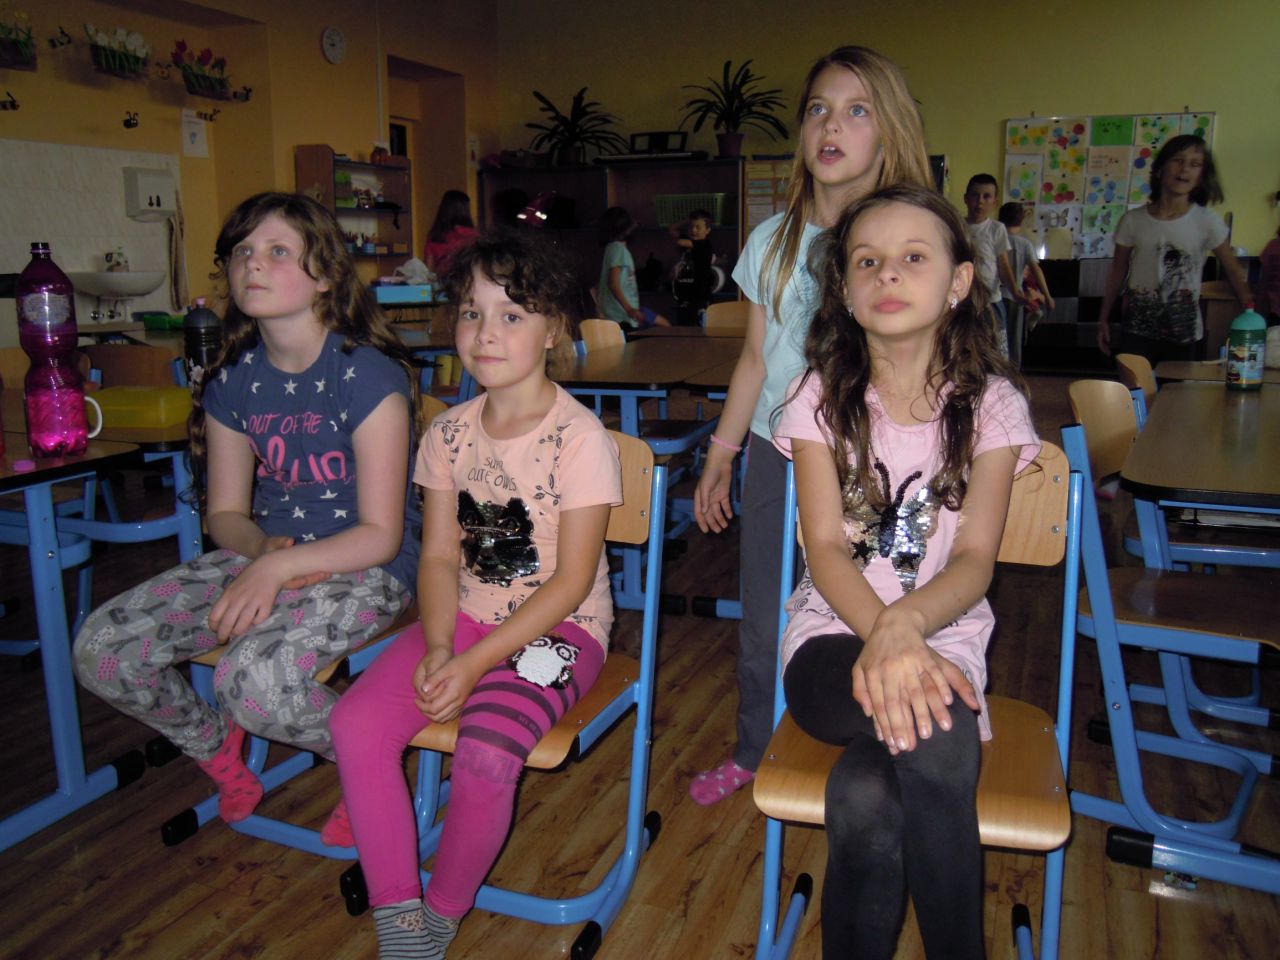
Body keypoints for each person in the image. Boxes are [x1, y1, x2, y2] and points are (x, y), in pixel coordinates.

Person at [73, 192, 420, 832]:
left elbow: (379, 534)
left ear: (325, 276)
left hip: (365, 565)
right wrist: (262, 554)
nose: (253, 264)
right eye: (242, 251)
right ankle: (215, 748)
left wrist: (274, 569)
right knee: (102, 648)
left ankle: (367, 764)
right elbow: (226, 515)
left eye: (278, 251)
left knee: (251, 682)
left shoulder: (366, 376)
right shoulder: (232, 380)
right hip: (265, 554)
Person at [329, 230, 623, 959]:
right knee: (356, 723)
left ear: (553, 330)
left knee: (488, 752)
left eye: (511, 315)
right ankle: (399, 914)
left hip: (561, 631)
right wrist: (439, 646)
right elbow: (435, 556)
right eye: (471, 312)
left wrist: (473, 662)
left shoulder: (580, 438)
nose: (486, 332)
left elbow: (572, 583)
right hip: (463, 618)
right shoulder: (448, 434)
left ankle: (443, 911)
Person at [774, 183, 1038, 959]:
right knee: (939, 734)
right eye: (868, 261)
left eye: (913, 258)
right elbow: (826, 550)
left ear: (959, 282)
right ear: (844, 289)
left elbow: (975, 559)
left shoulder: (992, 405)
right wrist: (884, 631)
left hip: (941, 639)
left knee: (865, 793)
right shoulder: (817, 396)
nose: (888, 273)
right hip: (830, 640)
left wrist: (908, 626)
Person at [689, 45, 934, 806]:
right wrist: (722, 451)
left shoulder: (903, 239)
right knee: (766, 610)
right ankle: (755, 746)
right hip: (777, 452)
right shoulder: (772, 241)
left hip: (872, 462)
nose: (832, 125)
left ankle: (875, 741)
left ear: (888, 130)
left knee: (869, 602)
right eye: (819, 109)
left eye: (857, 110)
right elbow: (755, 360)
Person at [1097, 135, 1253, 362]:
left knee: (1178, 386)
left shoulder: (1207, 221)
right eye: (1178, 160)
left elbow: (1233, 269)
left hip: (1183, 334)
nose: (1185, 169)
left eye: (1195, 164)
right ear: (1160, 169)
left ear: (1201, 175)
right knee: (1135, 386)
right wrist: (1103, 319)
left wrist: (1250, 317)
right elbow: (1117, 271)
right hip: (1137, 331)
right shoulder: (1132, 220)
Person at [962, 174, 1027, 359]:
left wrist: (1015, 291)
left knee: (997, 351)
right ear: (966, 198)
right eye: (975, 195)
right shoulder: (957, 226)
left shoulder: (996, 229)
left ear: (995, 202)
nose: (980, 201)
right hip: (964, 301)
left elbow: (1003, 265)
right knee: (965, 348)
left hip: (991, 301)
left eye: (986, 196)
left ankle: (997, 377)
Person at [997, 201, 1055, 367]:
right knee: (1013, 340)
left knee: (996, 338)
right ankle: (1013, 373)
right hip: (1016, 297)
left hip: (995, 296)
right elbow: (1036, 270)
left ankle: (996, 372)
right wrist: (1047, 296)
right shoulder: (1024, 244)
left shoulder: (996, 240)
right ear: (1021, 220)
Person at [597, 205, 670, 329]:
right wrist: (629, 309)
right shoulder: (619, 250)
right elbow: (613, 283)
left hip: (618, 314)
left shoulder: (611, 248)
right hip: (621, 315)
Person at [671, 208, 716, 325]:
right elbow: (671, 229)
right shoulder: (690, 243)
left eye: (698, 227)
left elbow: (679, 242)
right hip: (685, 297)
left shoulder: (704, 245)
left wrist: (690, 222)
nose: (693, 230)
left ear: (708, 230)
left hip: (700, 298)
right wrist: (687, 220)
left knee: (699, 329)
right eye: (691, 227)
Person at [423, 189, 478, 276]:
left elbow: (427, 272)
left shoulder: (435, 237)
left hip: (442, 282)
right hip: (467, 281)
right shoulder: (474, 236)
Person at [1251, 224, 1279, 326]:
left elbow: (1263, 281)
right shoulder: (1273, 246)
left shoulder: (1273, 245)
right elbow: (1264, 281)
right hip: (1273, 309)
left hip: (1273, 309)